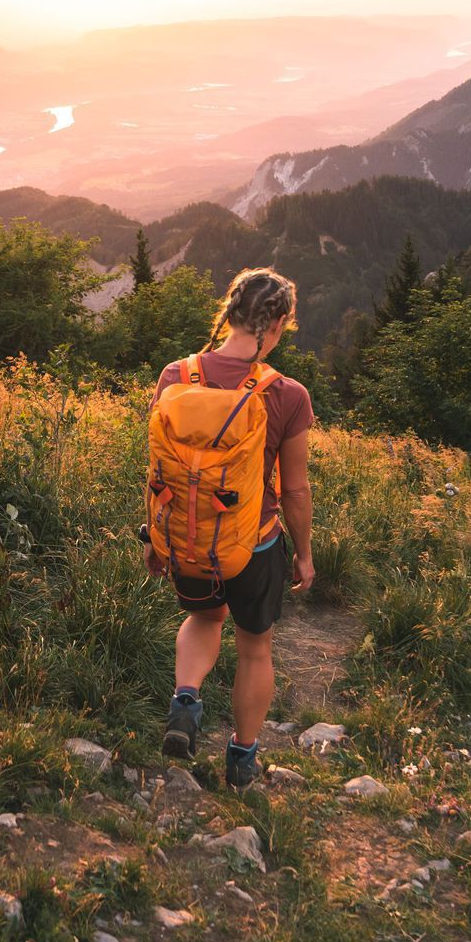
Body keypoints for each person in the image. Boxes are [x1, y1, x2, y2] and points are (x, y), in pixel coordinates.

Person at [144, 268, 314, 789]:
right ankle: (242, 758)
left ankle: (186, 700)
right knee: (255, 648)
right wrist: (304, 553)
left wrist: (156, 535)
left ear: (230, 312)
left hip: (188, 537)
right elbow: (295, 490)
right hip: (254, 544)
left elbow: (160, 467)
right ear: (278, 323)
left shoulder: (177, 376)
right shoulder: (286, 393)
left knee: (203, 618)